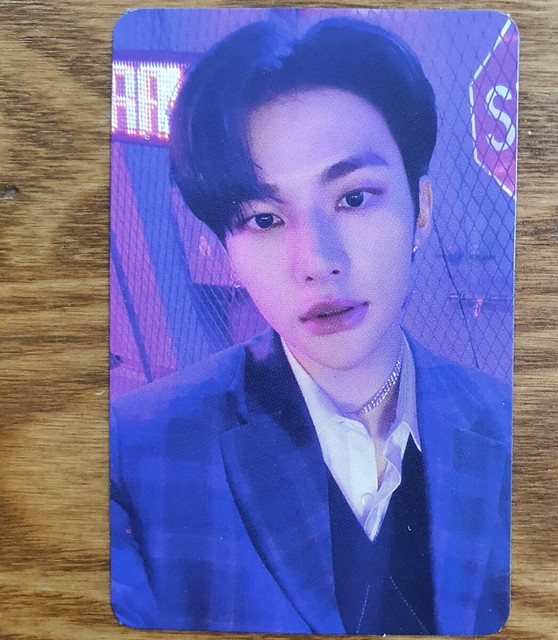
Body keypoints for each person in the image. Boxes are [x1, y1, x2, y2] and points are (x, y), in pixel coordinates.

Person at [110, 16, 511, 636]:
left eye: (354, 198)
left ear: (422, 210)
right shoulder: (136, 460)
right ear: (226, 249)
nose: (318, 261)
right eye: (264, 219)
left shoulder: (512, 428)